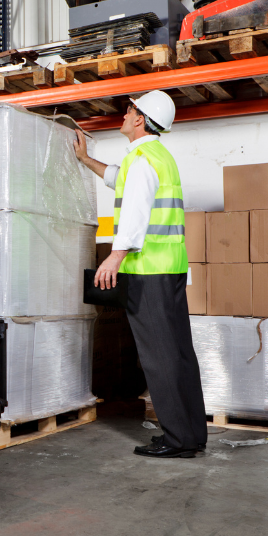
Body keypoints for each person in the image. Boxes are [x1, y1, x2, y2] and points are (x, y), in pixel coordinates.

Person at [73, 90, 207, 458]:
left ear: (140, 120)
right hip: (171, 269)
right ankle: (192, 434)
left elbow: (135, 211)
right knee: (179, 354)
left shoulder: (143, 160)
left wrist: (114, 258)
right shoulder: (156, 157)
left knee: (159, 358)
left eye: (129, 110)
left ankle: (177, 441)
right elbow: (119, 179)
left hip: (149, 274)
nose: (124, 113)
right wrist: (86, 160)